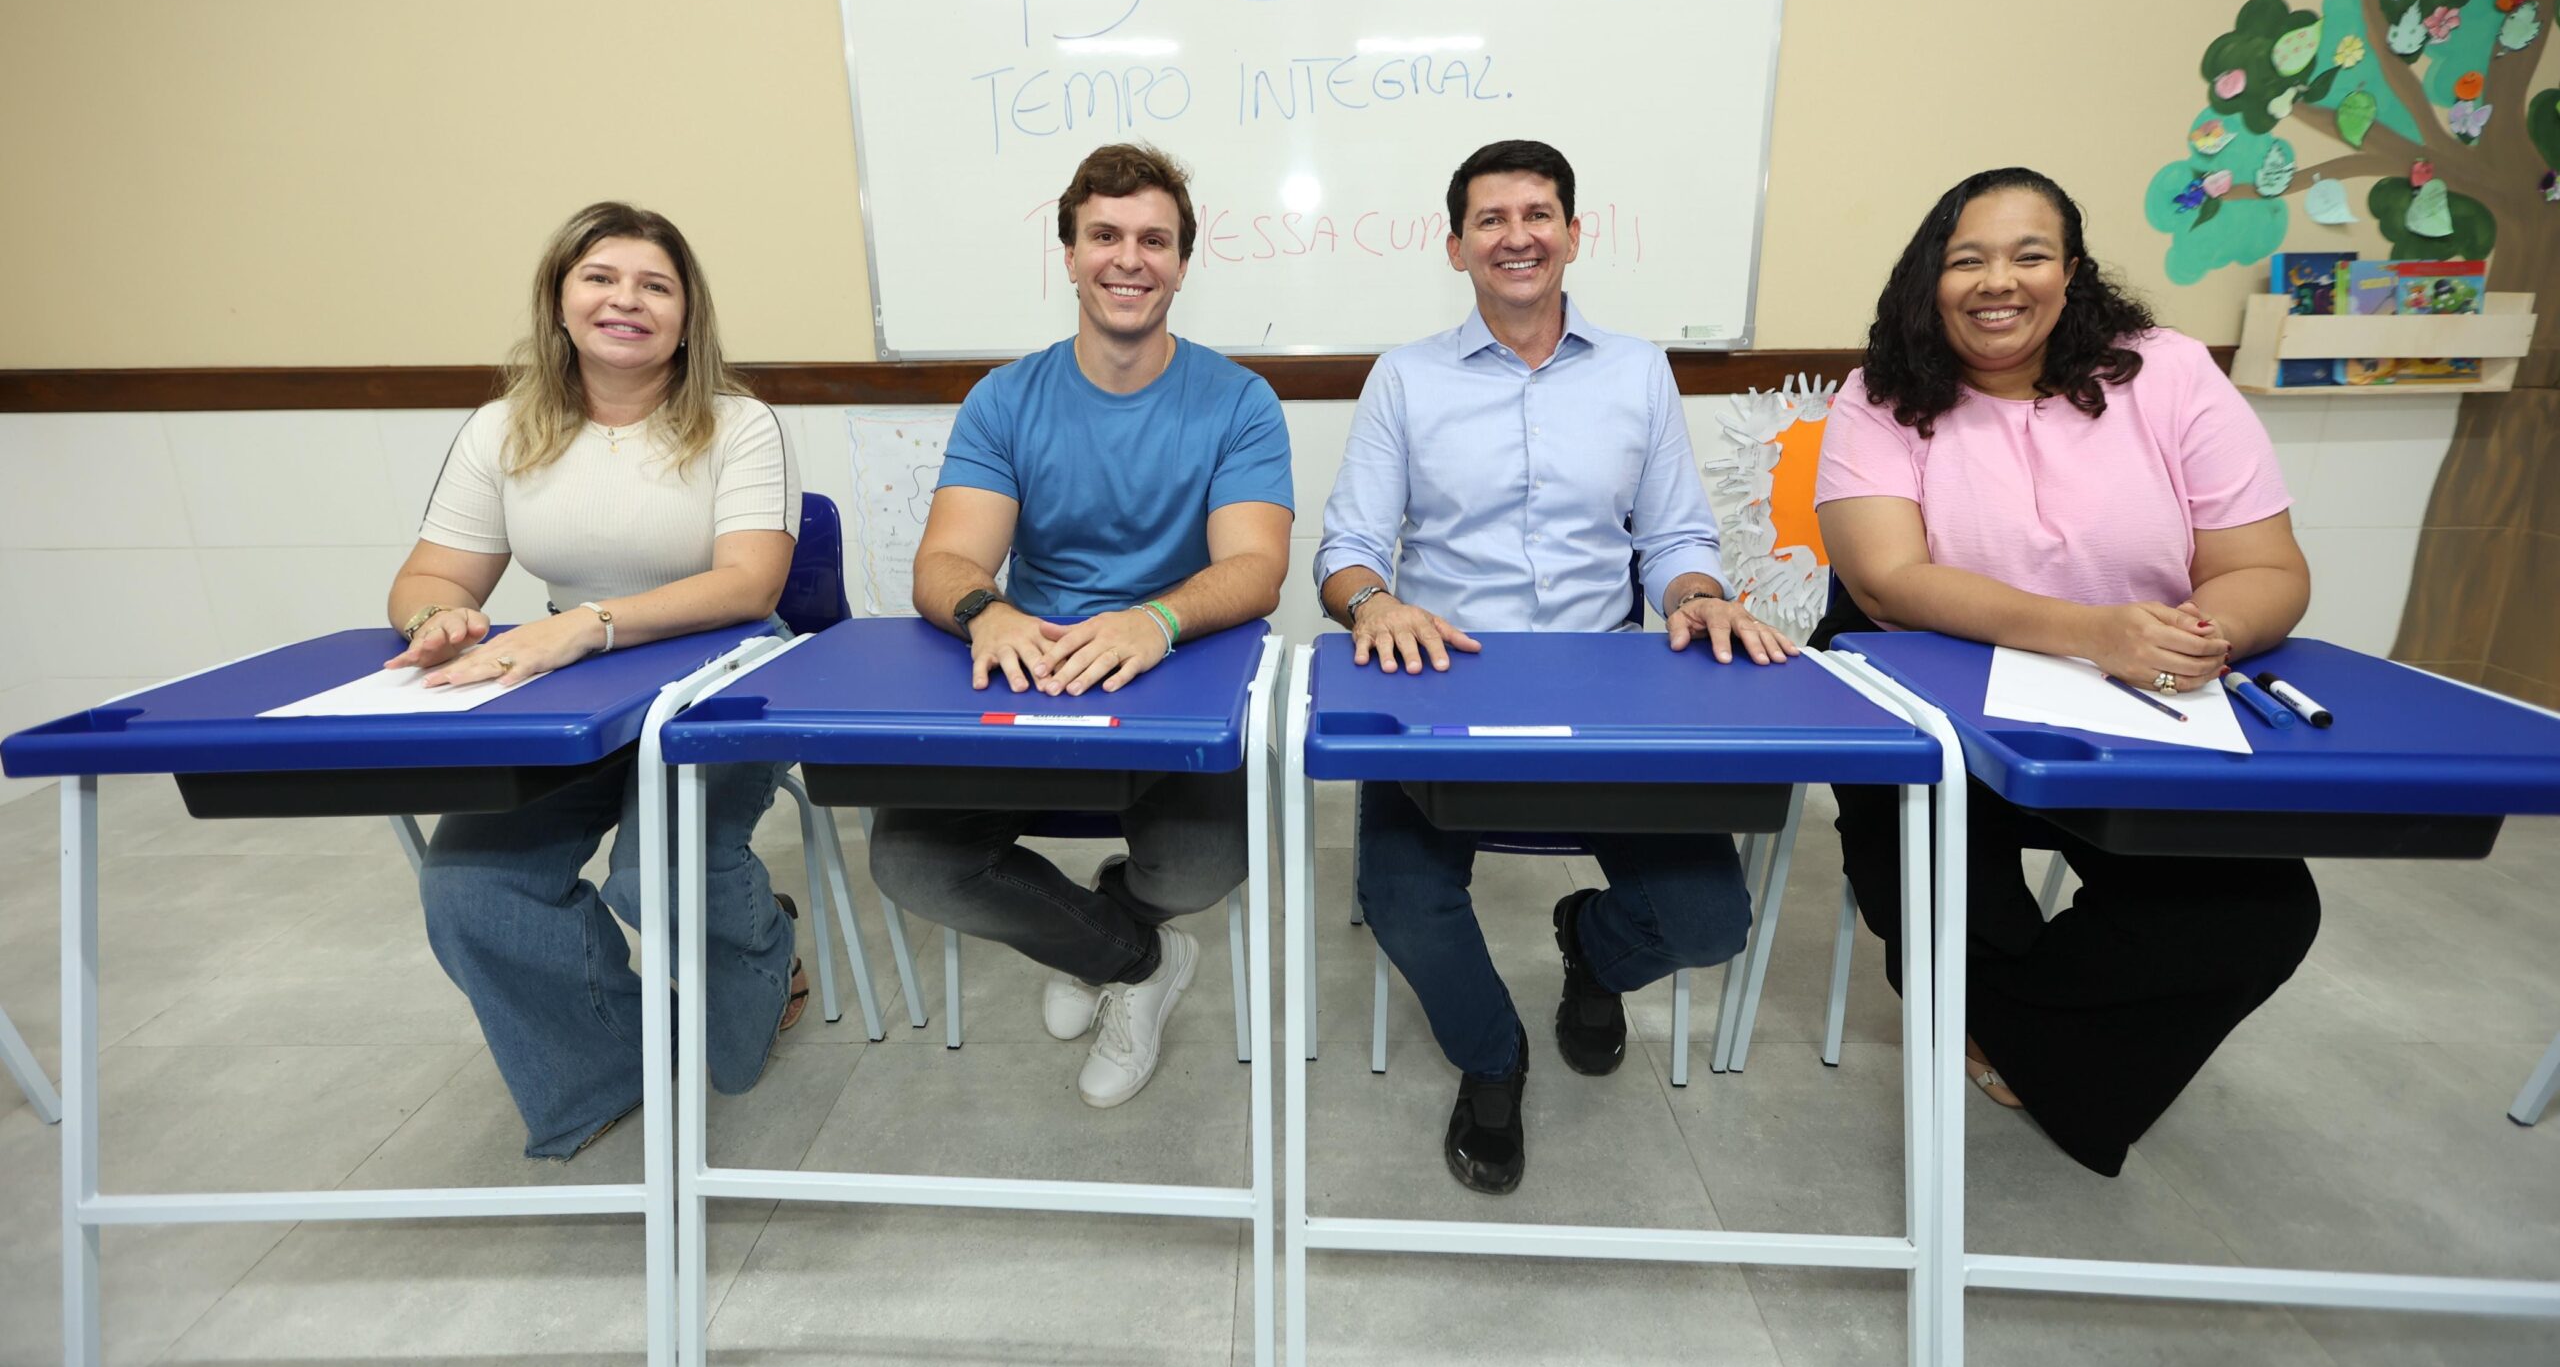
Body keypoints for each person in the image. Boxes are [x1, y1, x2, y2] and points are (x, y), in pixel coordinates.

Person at [1813, 165, 2320, 1177]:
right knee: (1947, 908)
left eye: (2028, 254)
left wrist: (2194, 638)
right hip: (1925, 685)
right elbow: (1888, 582)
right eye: (1967, 258)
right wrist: (2092, 632)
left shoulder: (2168, 372)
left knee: (2261, 913)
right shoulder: (1880, 393)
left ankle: (2016, 1037)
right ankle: (2031, 1040)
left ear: (2071, 271)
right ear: (1930, 276)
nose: (1997, 281)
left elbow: (2267, 568)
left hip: (2140, 691)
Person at [1314, 138, 1794, 1195]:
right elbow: (1344, 548)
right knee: (1399, 895)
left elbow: (1673, 539)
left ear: (1573, 234)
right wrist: (1376, 601)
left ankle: (1591, 942)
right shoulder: (1407, 376)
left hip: (1602, 688)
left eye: (1538, 213)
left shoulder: (1635, 370)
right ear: (1455, 247)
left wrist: (1698, 595)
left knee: (1710, 918)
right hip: (1444, 683)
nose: (1516, 234)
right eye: (1491, 218)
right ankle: (1492, 1054)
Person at [870, 142, 1293, 1109]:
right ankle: (1134, 961)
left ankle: (1098, 933)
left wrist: (1155, 619)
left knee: (1206, 863)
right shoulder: (1005, 398)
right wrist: (989, 613)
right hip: (1032, 679)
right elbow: (944, 564)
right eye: (1104, 235)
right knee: (909, 859)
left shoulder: (1238, 402)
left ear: (1184, 261)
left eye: (1154, 239)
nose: (1128, 259)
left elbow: (1256, 568)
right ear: (1068, 253)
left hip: (1172, 679)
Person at [384, 201, 806, 1159]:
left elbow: (751, 583)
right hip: (568, 685)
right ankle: (613, 1059)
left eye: (656, 285)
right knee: (470, 891)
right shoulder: (501, 429)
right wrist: (434, 617)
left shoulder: (741, 425)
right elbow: (431, 574)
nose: (628, 301)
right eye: (601, 279)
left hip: (725, 673)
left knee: (658, 874)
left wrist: (589, 623)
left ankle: (769, 955)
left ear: (688, 315)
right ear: (559, 301)